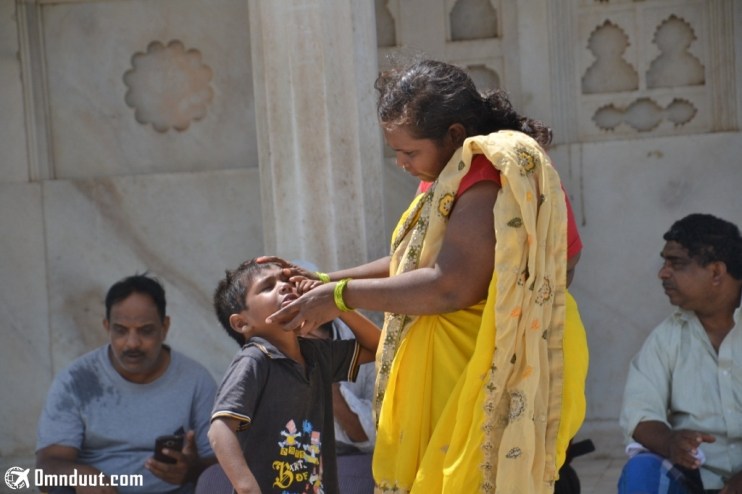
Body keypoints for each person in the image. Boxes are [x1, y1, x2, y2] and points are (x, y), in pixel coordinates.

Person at [259, 58, 589, 493]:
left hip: (483, 366)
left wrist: (340, 296)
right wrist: (326, 280)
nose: (401, 163)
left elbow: (449, 285)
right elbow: (410, 261)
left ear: (454, 134)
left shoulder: (487, 180)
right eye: (396, 152)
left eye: (409, 152)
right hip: (454, 367)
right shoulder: (447, 176)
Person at [208, 259, 381, 494]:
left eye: (287, 280)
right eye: (267, 286)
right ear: (241, 323)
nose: (285, 286)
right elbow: (219, 430)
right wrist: (246, 487)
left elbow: (378, 347)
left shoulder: (317, 354)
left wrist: (337, 302)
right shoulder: (254, 360)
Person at [35, 274, 217, 493]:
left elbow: (221, 466)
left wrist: (190, 470)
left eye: (145, 330)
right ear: (107, 327)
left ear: (164, 327)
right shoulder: (75, 380)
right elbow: (45, 470)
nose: (132, 343)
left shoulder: (196, 380)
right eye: (121, 330)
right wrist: (79, 475)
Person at [618, 213, 742, 494]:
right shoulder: (666, 338)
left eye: (676, 263)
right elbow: (639, 413)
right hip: (695, 480)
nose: (663, 273)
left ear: (716, 272)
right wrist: (670, 442)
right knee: (641, 471)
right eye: (664, 263)